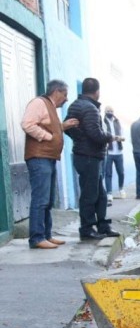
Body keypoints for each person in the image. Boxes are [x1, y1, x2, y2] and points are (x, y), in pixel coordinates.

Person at [21, 79, 79, 249]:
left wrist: (61, 127)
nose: (66, 99)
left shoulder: (50, 107)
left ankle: (46, 235)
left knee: (47, 198)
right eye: (65, 94)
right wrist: (49, 137)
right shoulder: (39, 103)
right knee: (40, 198)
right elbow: (27, 124)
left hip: (48, 158)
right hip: (39, 158)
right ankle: (37, 238)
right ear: (56, 92)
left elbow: (47, 126)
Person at [65, 78, 122, 240]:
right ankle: (87, 228)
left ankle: (103, 226)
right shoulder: (90, 108)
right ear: (97, 91)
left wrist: (79, 138)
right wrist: (111, 137)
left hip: (85, 155)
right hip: (89, 156)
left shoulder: (75, 105)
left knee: (100, 194)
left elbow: (67, 127)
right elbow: (95, 134)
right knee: (90, 194)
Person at [103, 106, 125, 205]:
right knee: (108, 173)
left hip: (118, 151)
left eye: (111, 111)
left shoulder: (117, 121)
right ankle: (109, 193)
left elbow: (123, 135)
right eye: (108, 111)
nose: (110, 112)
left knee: (121, 172)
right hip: (109, 152)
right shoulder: (103, 122)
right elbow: (103, 134)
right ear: (105, 112)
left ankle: (121, 188)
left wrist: (120, 138)